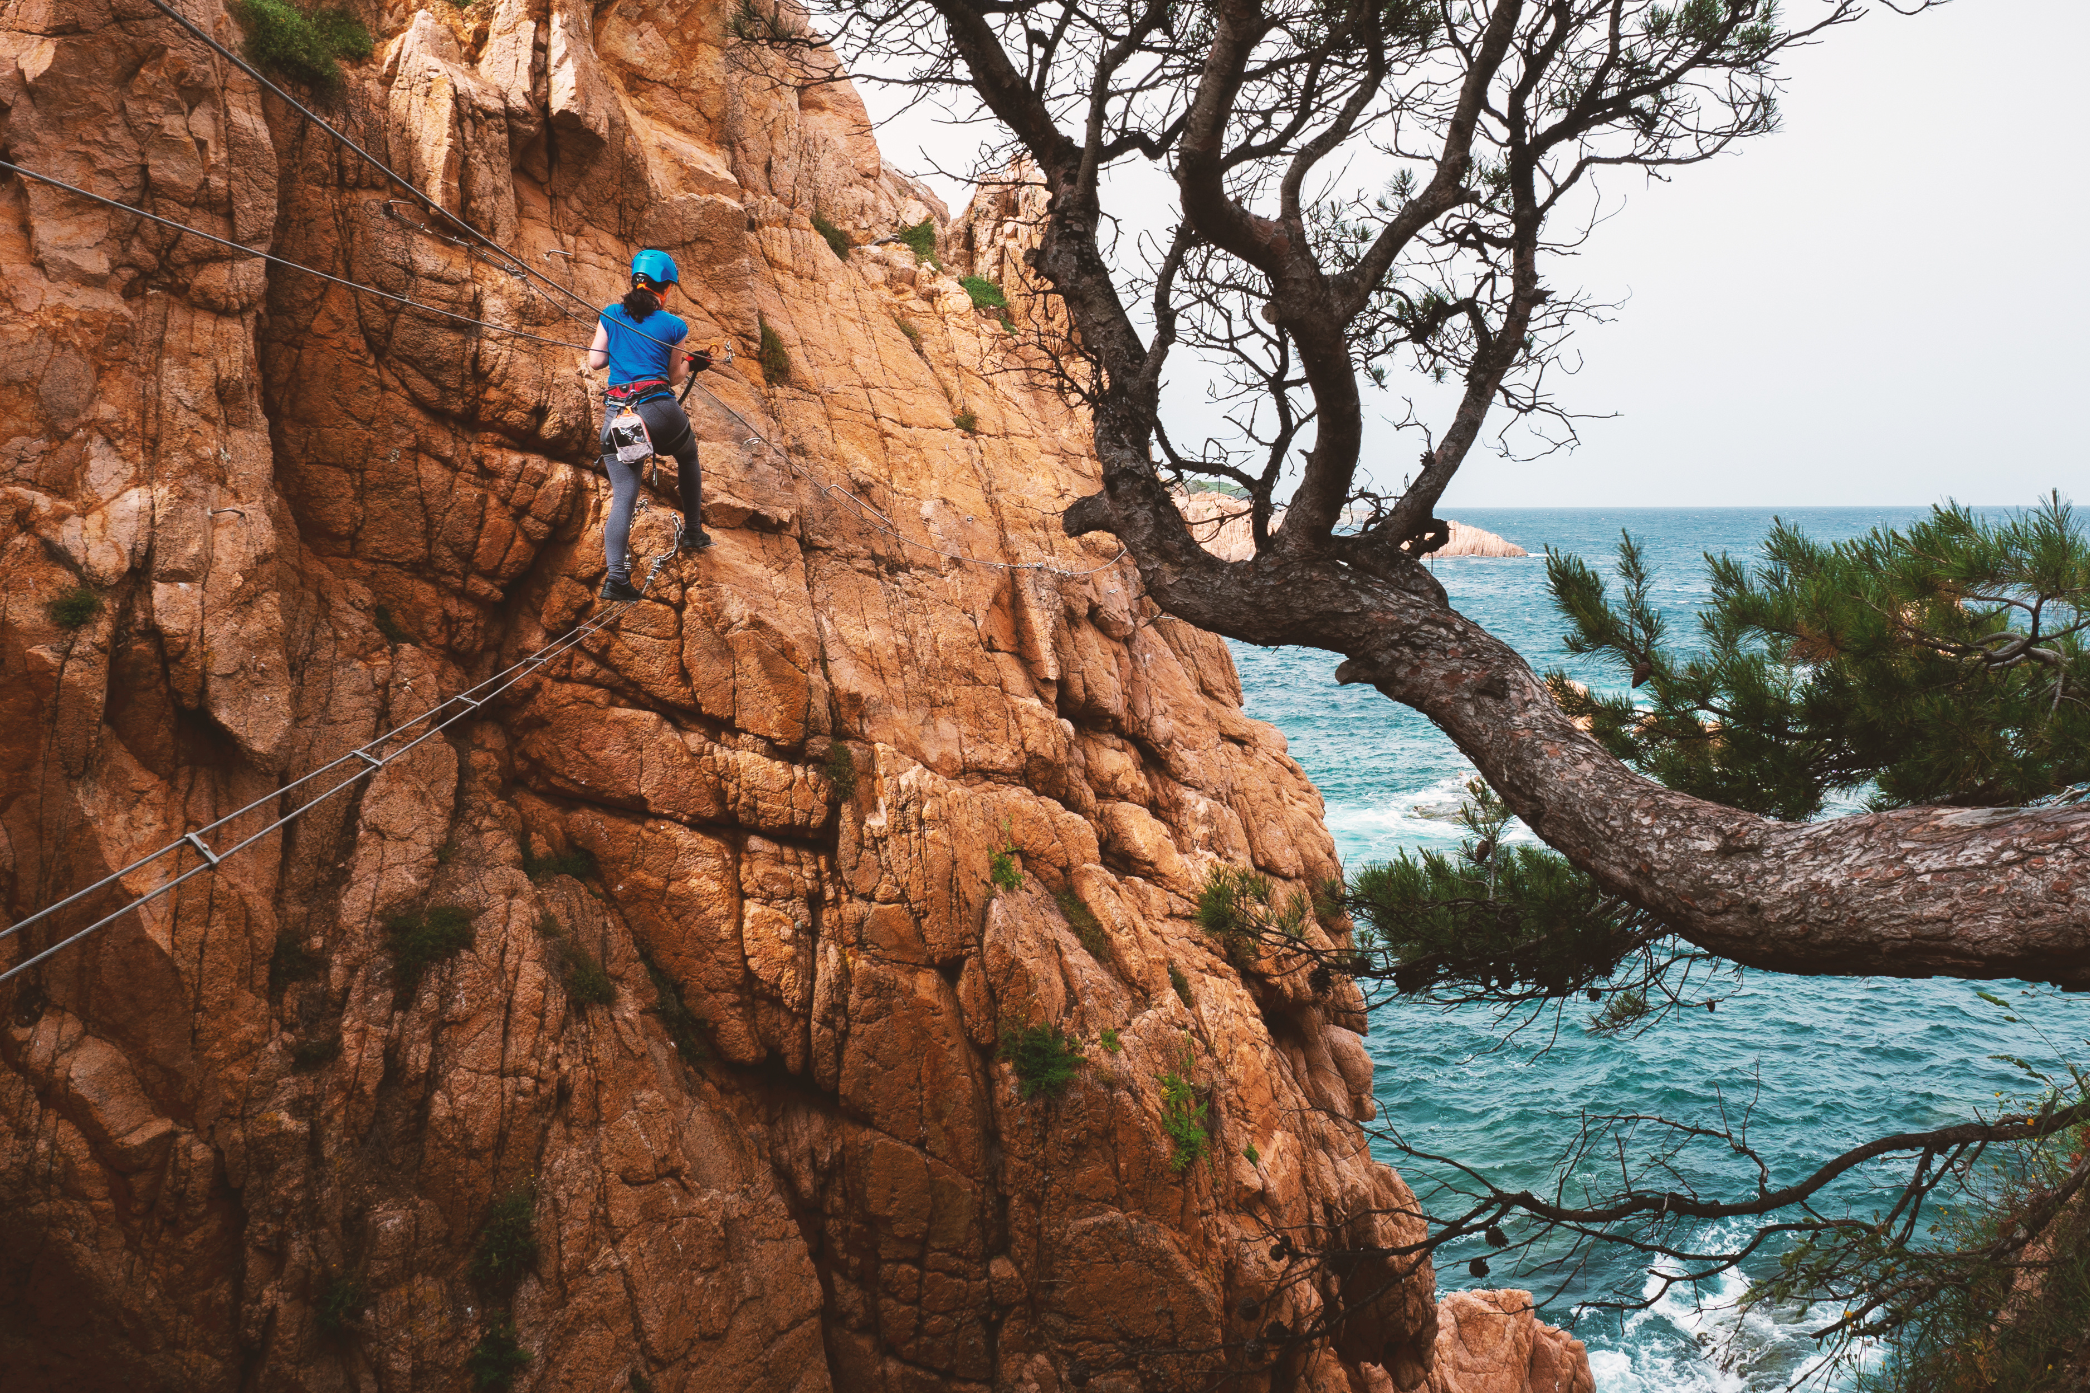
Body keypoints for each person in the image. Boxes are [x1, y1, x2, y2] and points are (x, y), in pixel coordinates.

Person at [587, 248, 712, 601]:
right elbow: (673, 376)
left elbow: (596, 362)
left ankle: (616, 579)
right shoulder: (673, 326)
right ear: (665, 288)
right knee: (687, 454)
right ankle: (692, 531)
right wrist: (693, 362)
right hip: (655, 409)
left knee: (624, 495)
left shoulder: (610, 314)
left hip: (617, 415)